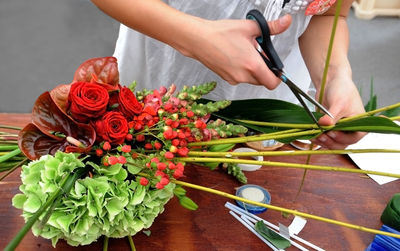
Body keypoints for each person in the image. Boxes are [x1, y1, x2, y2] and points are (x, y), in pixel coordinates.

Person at [90, 0, 365, 149]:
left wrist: (334, 75)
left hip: (268, 114)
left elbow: (328, 14)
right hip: (160, 84)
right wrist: (194, 38)